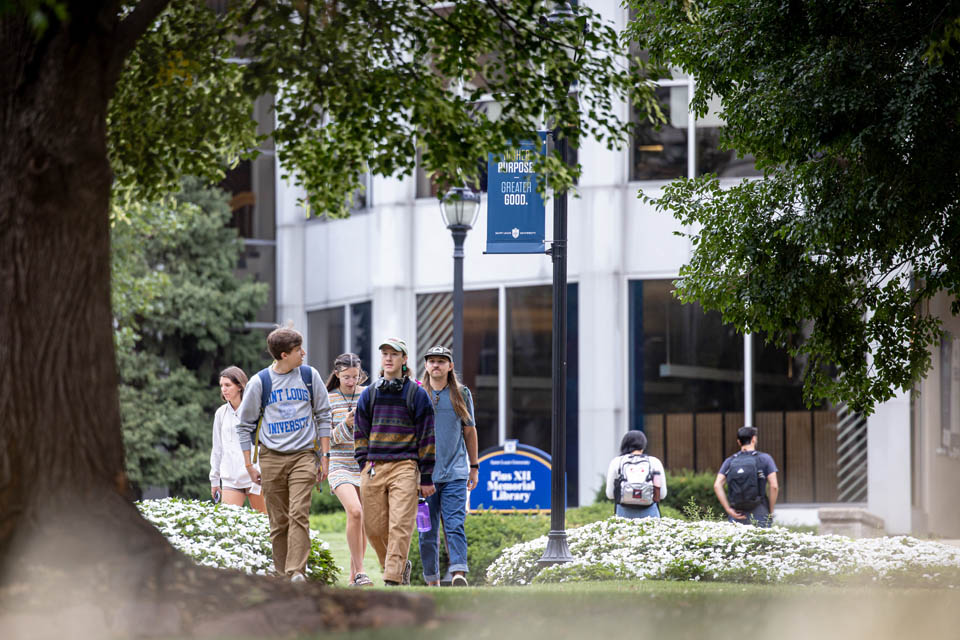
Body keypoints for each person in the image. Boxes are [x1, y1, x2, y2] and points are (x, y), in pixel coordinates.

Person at [236, 326, 332, 582]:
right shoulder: (260, 382)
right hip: (271, 457)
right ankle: (282, 577)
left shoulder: (310, 376)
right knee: (278, 522)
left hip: (303, 455)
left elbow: (324, 415)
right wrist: (249, 465)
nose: (304, 353)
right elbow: (244, 425)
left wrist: (325, 456)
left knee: (299, 513)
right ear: (282, 355)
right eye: (298, 350)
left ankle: (296, 572)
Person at [354, 337, 435, 586]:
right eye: (385, 354)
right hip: (374, 467)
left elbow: (427, 437)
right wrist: (364, 463)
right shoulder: (370, 393)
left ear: (404, 360)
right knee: (374, 529)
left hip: (406, 466)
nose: (388, 358)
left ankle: (392, 578)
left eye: (394, 354)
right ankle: (399, 565)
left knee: (399, 524)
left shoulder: (417, 394)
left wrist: (426, 476)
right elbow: (360, 431)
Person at [418, 345, 479, 587]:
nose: (436, 365)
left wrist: (474, 467)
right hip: (424, 477)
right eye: (432, 361)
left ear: (450, 366)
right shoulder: (418, 394)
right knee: (426, 532)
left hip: (455, 473)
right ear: (426, 365)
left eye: (441, 361)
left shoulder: (461, 393)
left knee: (454, 525)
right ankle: (432, 581)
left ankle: (458, 574)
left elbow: (470, 431)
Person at [325, 352, 372, 587]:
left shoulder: (368, 395)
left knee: (362, 519)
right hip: (339, 464)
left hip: (364, 464)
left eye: (355, 377)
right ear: (337, 375)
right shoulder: (328, 399)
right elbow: (327, 439)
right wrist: (347, 424)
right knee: (354, 511)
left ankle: (355, 576)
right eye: (346, 377)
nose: (352, 382)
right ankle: (361, 571)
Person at [209, 366, 267, 513]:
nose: (224, 389)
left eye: (228, 385)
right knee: (227, 525)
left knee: (265, 524)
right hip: (230, 478)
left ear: (240, 386)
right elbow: (217, 448)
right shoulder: (220, 413)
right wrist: (215, 480)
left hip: (256, 476)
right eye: (221, 385)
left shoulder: (255, 410)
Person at [714, 425, 779, 527]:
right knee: (761, 542)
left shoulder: (730, 461)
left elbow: (717, 485)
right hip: (760, 510)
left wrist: (728, 509)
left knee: (737, 542)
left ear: (739, 442)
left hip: (737, 512)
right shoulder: (765, 459)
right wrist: (770, 510)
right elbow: (774, 486)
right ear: (754, 439)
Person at [605, 430, 667, 519]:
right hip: (650, 514)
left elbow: (610, 494)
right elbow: (662, 494)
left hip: (623, 515)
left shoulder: (617, 462)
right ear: (643, 445)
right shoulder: (654, 462)